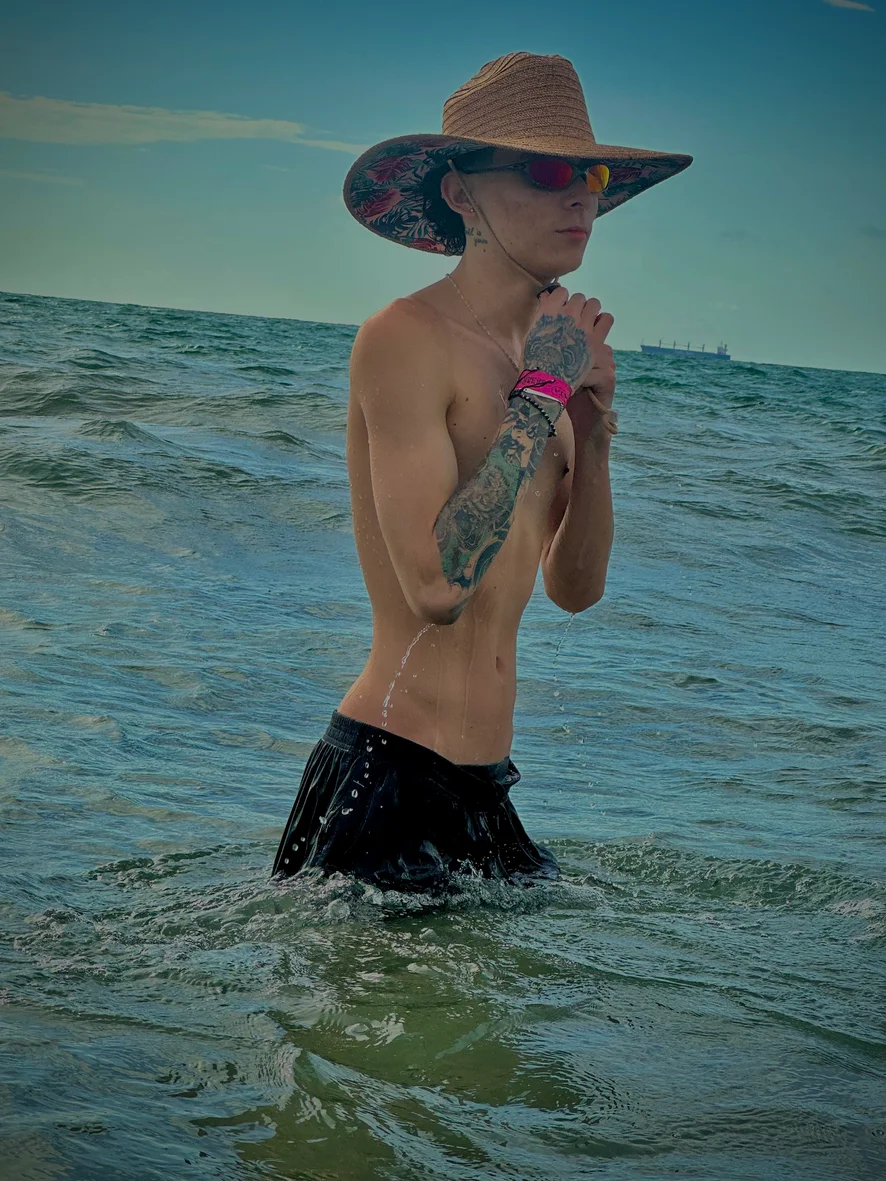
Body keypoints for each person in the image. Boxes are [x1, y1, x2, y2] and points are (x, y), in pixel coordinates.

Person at [272, 52, 692, 892]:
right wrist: (538, 399)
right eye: (547, 172)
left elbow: (576, 589)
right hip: (387, 771)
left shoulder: (550, 358)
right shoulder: (405, 338)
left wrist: (592, 432)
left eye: (592, 175)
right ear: (461, 192)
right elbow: (436, 586)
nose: (581, 197)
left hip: (488, 792)